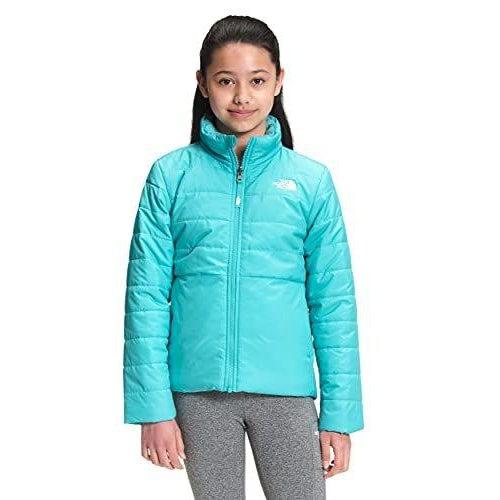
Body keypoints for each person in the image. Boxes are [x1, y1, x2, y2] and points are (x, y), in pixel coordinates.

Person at [123, 14, 364, 499]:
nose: (241, 97)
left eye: (256, 81)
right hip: (198, 394)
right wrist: (153, 409)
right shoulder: (170, 177)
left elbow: (333, 303)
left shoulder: (311, 182)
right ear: (202, 84)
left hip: (286, 392)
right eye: (225, 81)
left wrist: (339, 415)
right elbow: (145, 298)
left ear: (278, 81)